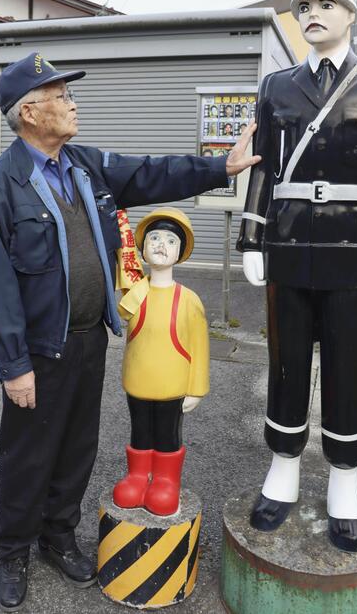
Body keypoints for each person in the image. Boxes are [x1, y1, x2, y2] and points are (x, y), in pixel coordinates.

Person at [0, 52, 260, 611]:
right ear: (29, 112)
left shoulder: (85, 166)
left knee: (77, 444)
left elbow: (150, 172)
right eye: (61, 97)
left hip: (89, 338)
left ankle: (57, 533)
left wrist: (221, 168)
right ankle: (13, 550)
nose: (73, 105)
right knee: (28, 452)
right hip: (39, 349)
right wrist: (14, 366)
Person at [237, 0, 357, 553]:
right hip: (288, 242)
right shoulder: (277, 87)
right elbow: (261, 168)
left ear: (351, 14)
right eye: (304, 4)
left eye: (326, 3)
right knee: (286, 361)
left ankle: (345, 478)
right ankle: (283, 469)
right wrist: (252, 238)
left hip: (354, 244)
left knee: (346, 362)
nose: (313, 12)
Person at [112, 208, 208, 516]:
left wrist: (196, 389)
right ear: (141, 248)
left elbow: (200, 348)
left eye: (170, 240)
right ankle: (138, 477)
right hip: (138, 381)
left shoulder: (189, 299)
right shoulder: (138, 292)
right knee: (139, 430)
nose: (161, 245)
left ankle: (166, 481)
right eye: (153, 238)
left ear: (181, 251)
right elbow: (122, 314)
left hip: (173, 384)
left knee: (167, 433)